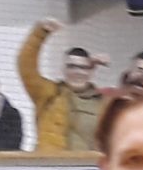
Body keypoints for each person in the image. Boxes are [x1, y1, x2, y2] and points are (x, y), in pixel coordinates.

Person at [20, 20, 108, 153]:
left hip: (88, 164)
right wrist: (39, 34)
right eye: (71, 66)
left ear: (91, 71)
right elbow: (26, 67)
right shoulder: (49, 93)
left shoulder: (102, 103)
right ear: (63, 69)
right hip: (51, 163)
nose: (77, 72)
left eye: (83, 67)